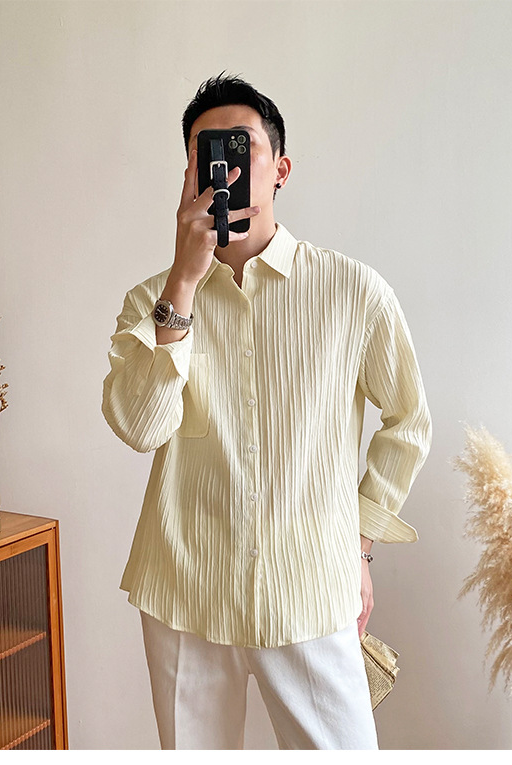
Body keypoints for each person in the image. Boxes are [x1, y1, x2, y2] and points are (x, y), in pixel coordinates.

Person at [101, 73, 432, 750]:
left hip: (309, 588)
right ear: (189, 173)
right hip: (185, 589)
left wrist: (359, 545)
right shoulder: (153, 301)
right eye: (207, 151)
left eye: (241, 146)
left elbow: (409, 420)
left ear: (280, 169)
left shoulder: (352, 291)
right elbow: (140, 427)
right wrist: (183, 282)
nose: (224, 165)